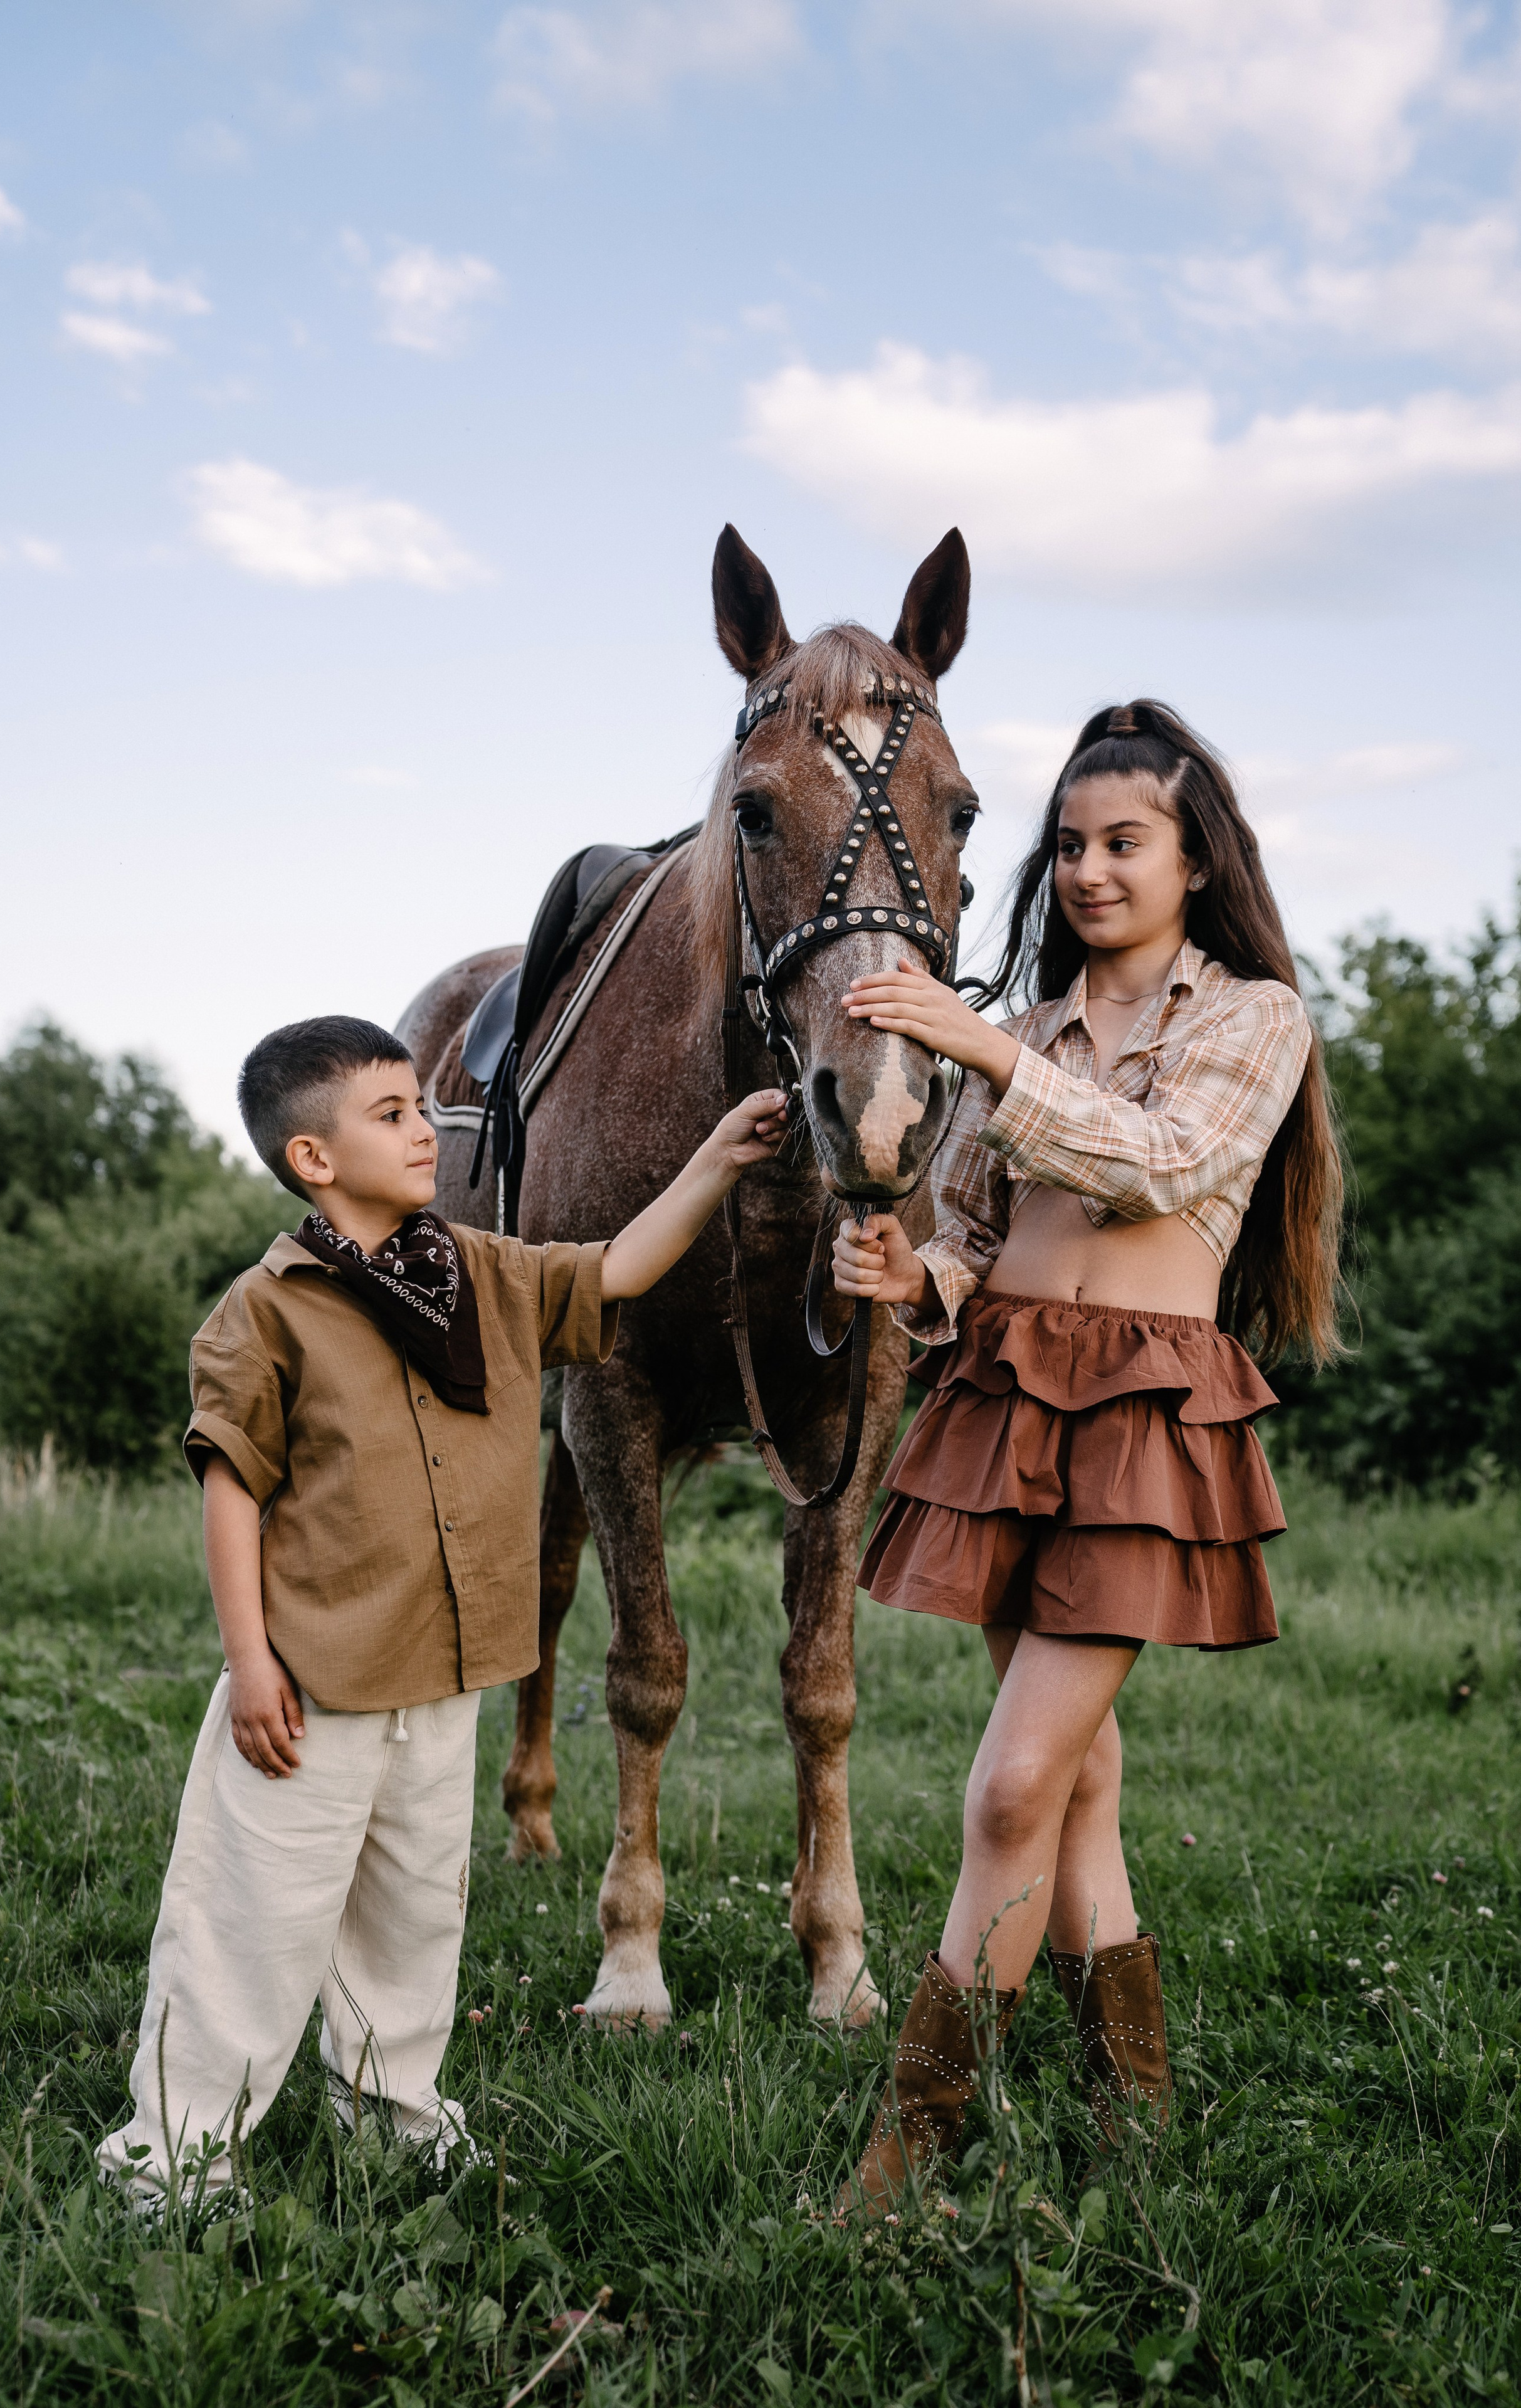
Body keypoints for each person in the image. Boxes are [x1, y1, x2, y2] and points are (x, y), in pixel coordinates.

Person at [97, 1013, 787, 2203]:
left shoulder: (485, 1275)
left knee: (415, 1918)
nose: (426, 1130)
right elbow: (232, 1491)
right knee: (251, 1922)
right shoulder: (265, 1312)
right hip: (312, 1684)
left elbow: (619, 1268)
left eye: (421, 1106)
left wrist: (719, 1157)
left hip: (448, 1669)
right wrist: (249, 1662)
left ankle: (397, 2116)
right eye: (393, 1114)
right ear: (314, 1158)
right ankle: (175, 2157)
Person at [829, 700, 1342, 2210]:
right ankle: (1132, 2109)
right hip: (1003, 1396)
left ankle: (911, 2144)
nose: (1089, 871)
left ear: (1197, 860)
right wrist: (912, 1273)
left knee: (1008, 1791)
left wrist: (982, 1046)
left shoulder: (1250, 1017)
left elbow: (1159, 1168)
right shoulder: (1035, 1021)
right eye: (1067, 844)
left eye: (1124, 842)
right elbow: (978, 1234)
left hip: (1137, 1415)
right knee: (1075, 1784)